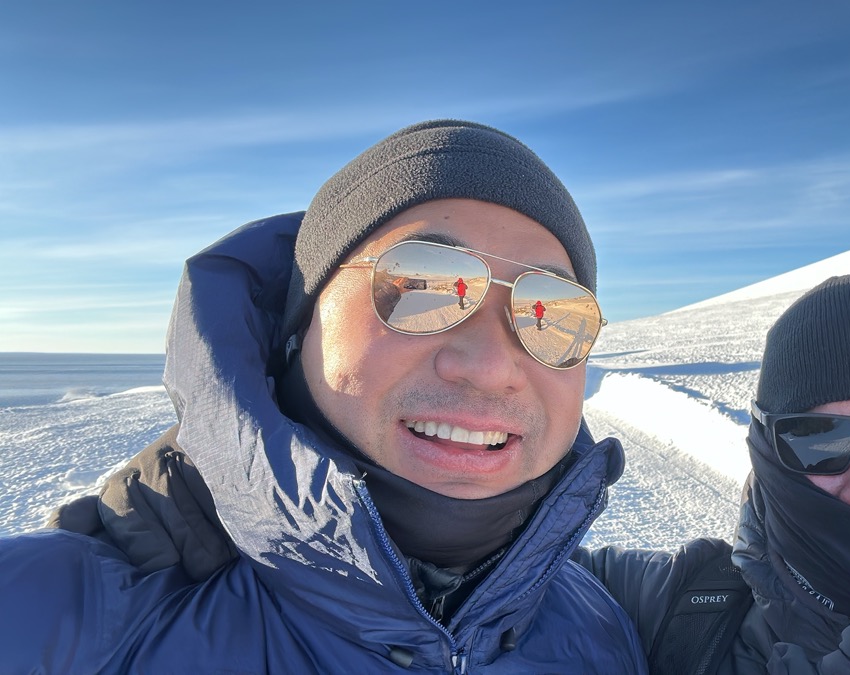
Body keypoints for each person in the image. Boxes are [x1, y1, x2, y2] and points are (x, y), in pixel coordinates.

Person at [35, 274, 850, 670]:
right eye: (822, 442)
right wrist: (255, 499)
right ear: (766, 456)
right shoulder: (676, 609)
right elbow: (464, 585)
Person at [0, 120, 646, 673]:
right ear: (299, 327)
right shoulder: (51, 616)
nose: (490, 366)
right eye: (420, 282)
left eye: (553, 311)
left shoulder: (608, 627)